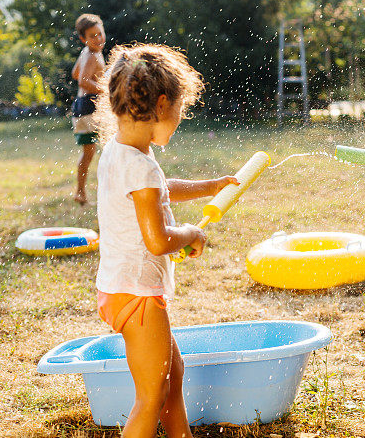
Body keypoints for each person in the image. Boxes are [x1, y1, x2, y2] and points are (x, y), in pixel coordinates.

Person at [93, 43, 239, 437]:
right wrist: (191, 233)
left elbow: (159, 190)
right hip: (137, 294)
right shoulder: (138, 164)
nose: (180, 119)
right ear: (161, 104)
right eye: (180, 111)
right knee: (151, 394)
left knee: (172, 379)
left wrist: (211, 186)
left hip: (127, 289)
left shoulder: (120, 151)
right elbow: (157, 241)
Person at [71, 13, 106, 205]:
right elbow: (84, 80)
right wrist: (107, 88)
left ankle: (80, 192)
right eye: (92, 36)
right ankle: (89, 192)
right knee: (111, 146)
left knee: (88, 152)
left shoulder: (86, 52)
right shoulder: (93, 55)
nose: (98, 38)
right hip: (90, 106)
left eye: (99, 33)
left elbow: (75, 73)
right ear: (83, 39)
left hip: (81, 106)